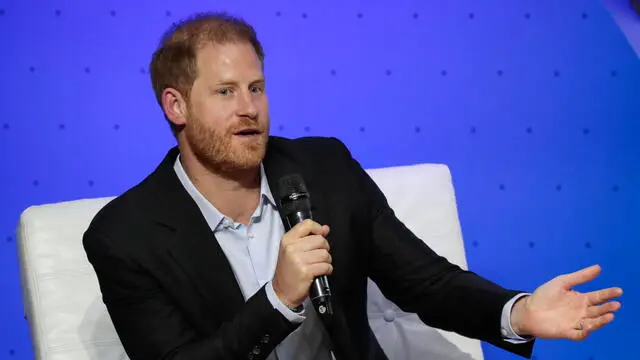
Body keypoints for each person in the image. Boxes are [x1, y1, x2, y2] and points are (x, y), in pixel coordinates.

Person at [82, 11, 623, 360]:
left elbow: (425, 282)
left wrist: (518, 311)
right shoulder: (124, 236)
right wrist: (277, 299)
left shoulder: (323, 168)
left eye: (257, 88)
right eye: (225, 92)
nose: (250, 109)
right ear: (175, 105)